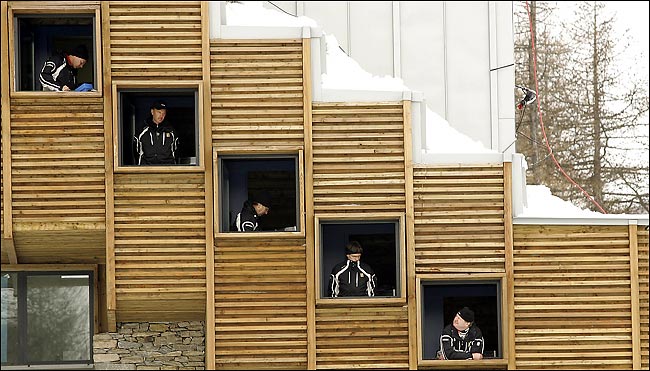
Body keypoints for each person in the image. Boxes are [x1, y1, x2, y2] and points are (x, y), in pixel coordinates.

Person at [134, 100, 179, 165]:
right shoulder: (142, 131)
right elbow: (136, 153)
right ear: (152, 112)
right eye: (159, 112)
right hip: (146, 171)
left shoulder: (171, 131)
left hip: (167, 170)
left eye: (163, 113)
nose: (161, 116)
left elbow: (176, 153)